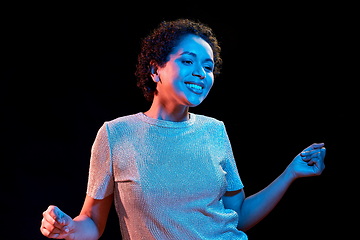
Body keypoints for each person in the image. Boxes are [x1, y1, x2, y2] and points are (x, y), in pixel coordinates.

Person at [40, 19, 326, 240]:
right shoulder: (116, 135)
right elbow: (91, 222)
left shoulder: (214, 131)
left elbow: (236, 215)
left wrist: (290, 173)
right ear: (155, 70)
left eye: (208, 66)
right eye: (188, 61)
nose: (201, 73)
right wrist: (65, 228)